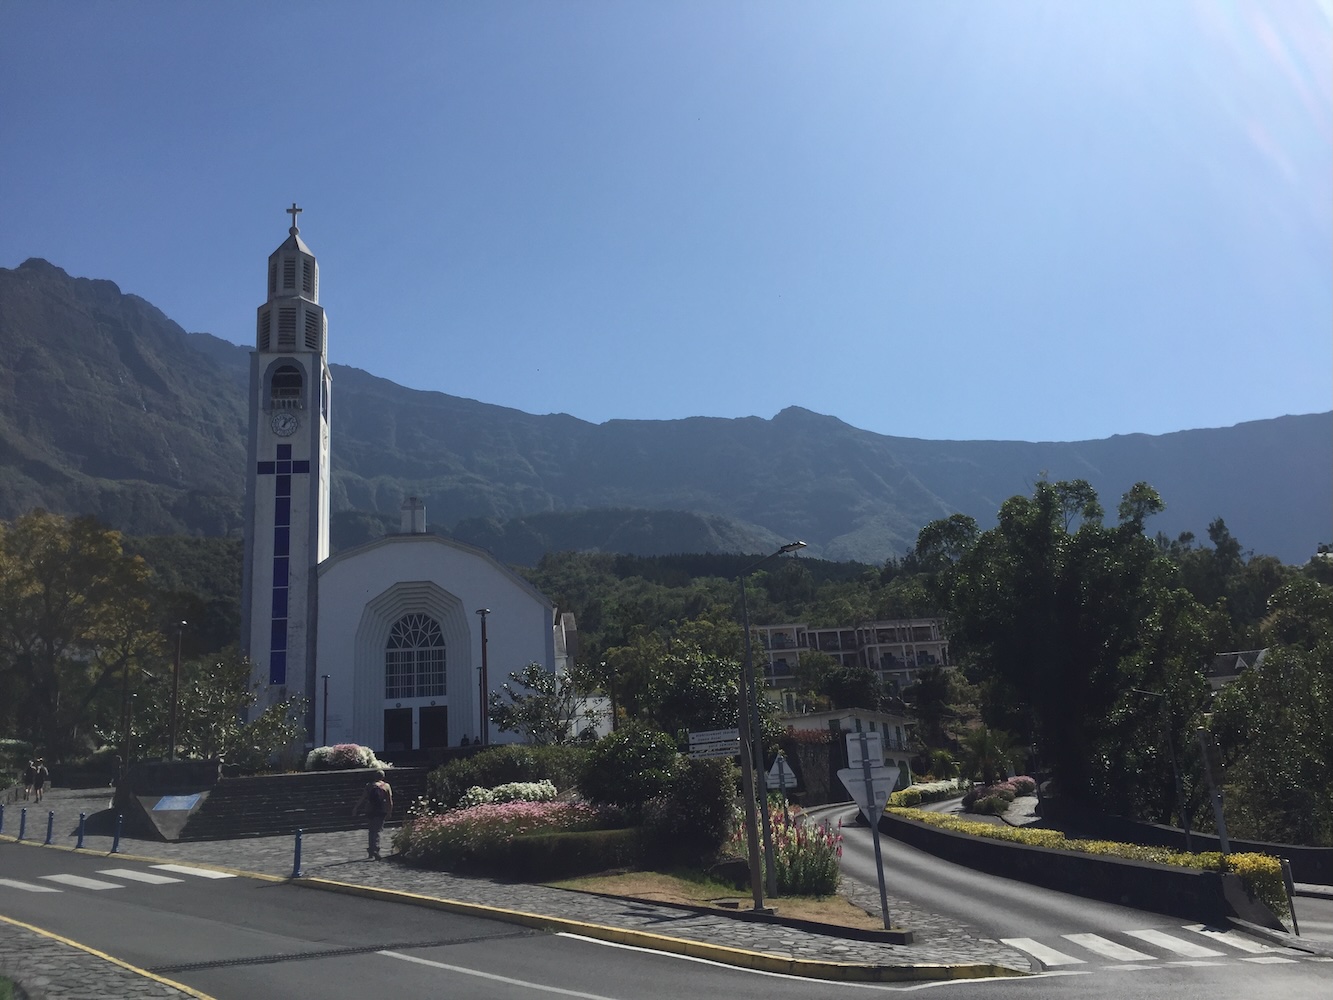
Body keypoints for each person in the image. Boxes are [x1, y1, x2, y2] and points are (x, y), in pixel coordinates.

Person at [352, 769, 393, 860]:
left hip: (370, 810)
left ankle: (371, 850)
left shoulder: (369, 786)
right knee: (377, 830)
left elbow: (363, 798)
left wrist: (356, 808)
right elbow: (389, 801)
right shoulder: (386, 786)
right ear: (383, 777)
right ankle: (376, 849)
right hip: (381, 810)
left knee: (371, 830)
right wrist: (389, 812)